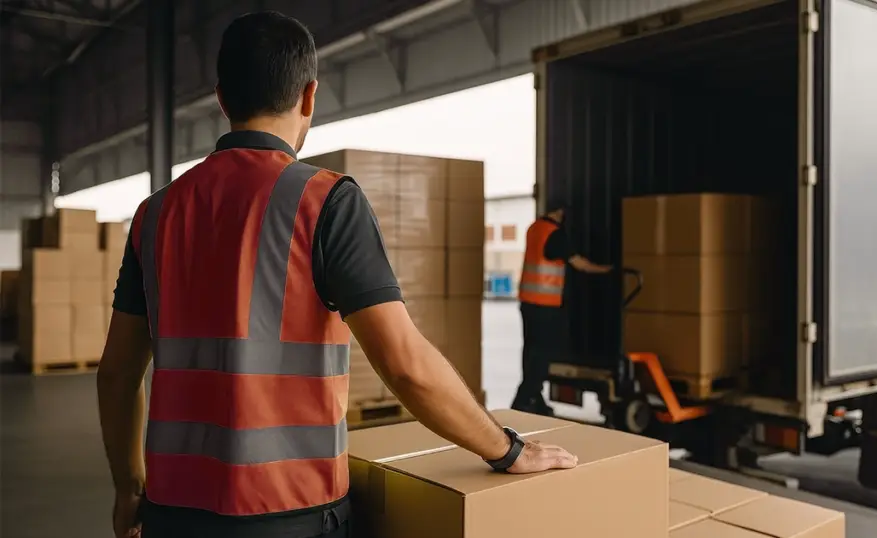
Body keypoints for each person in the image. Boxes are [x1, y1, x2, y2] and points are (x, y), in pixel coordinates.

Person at [95, 11, 577, 538]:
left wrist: (128, 487)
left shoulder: (156, 213)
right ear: (309, 96)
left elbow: (118, 374)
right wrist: (507, 449)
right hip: (291, 513)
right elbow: (406, 365)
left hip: (172, 514)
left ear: (222, 98)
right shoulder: (323, 201)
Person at [512, 204, 613, 415]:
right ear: (559, 213)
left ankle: (533, 399)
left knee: (531, 351)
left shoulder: (534, 228)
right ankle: (523, 399)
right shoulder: (555, 234)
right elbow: (579, 264)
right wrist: (608, 270)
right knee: (543, 353)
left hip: (528, 301)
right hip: (545, 304)